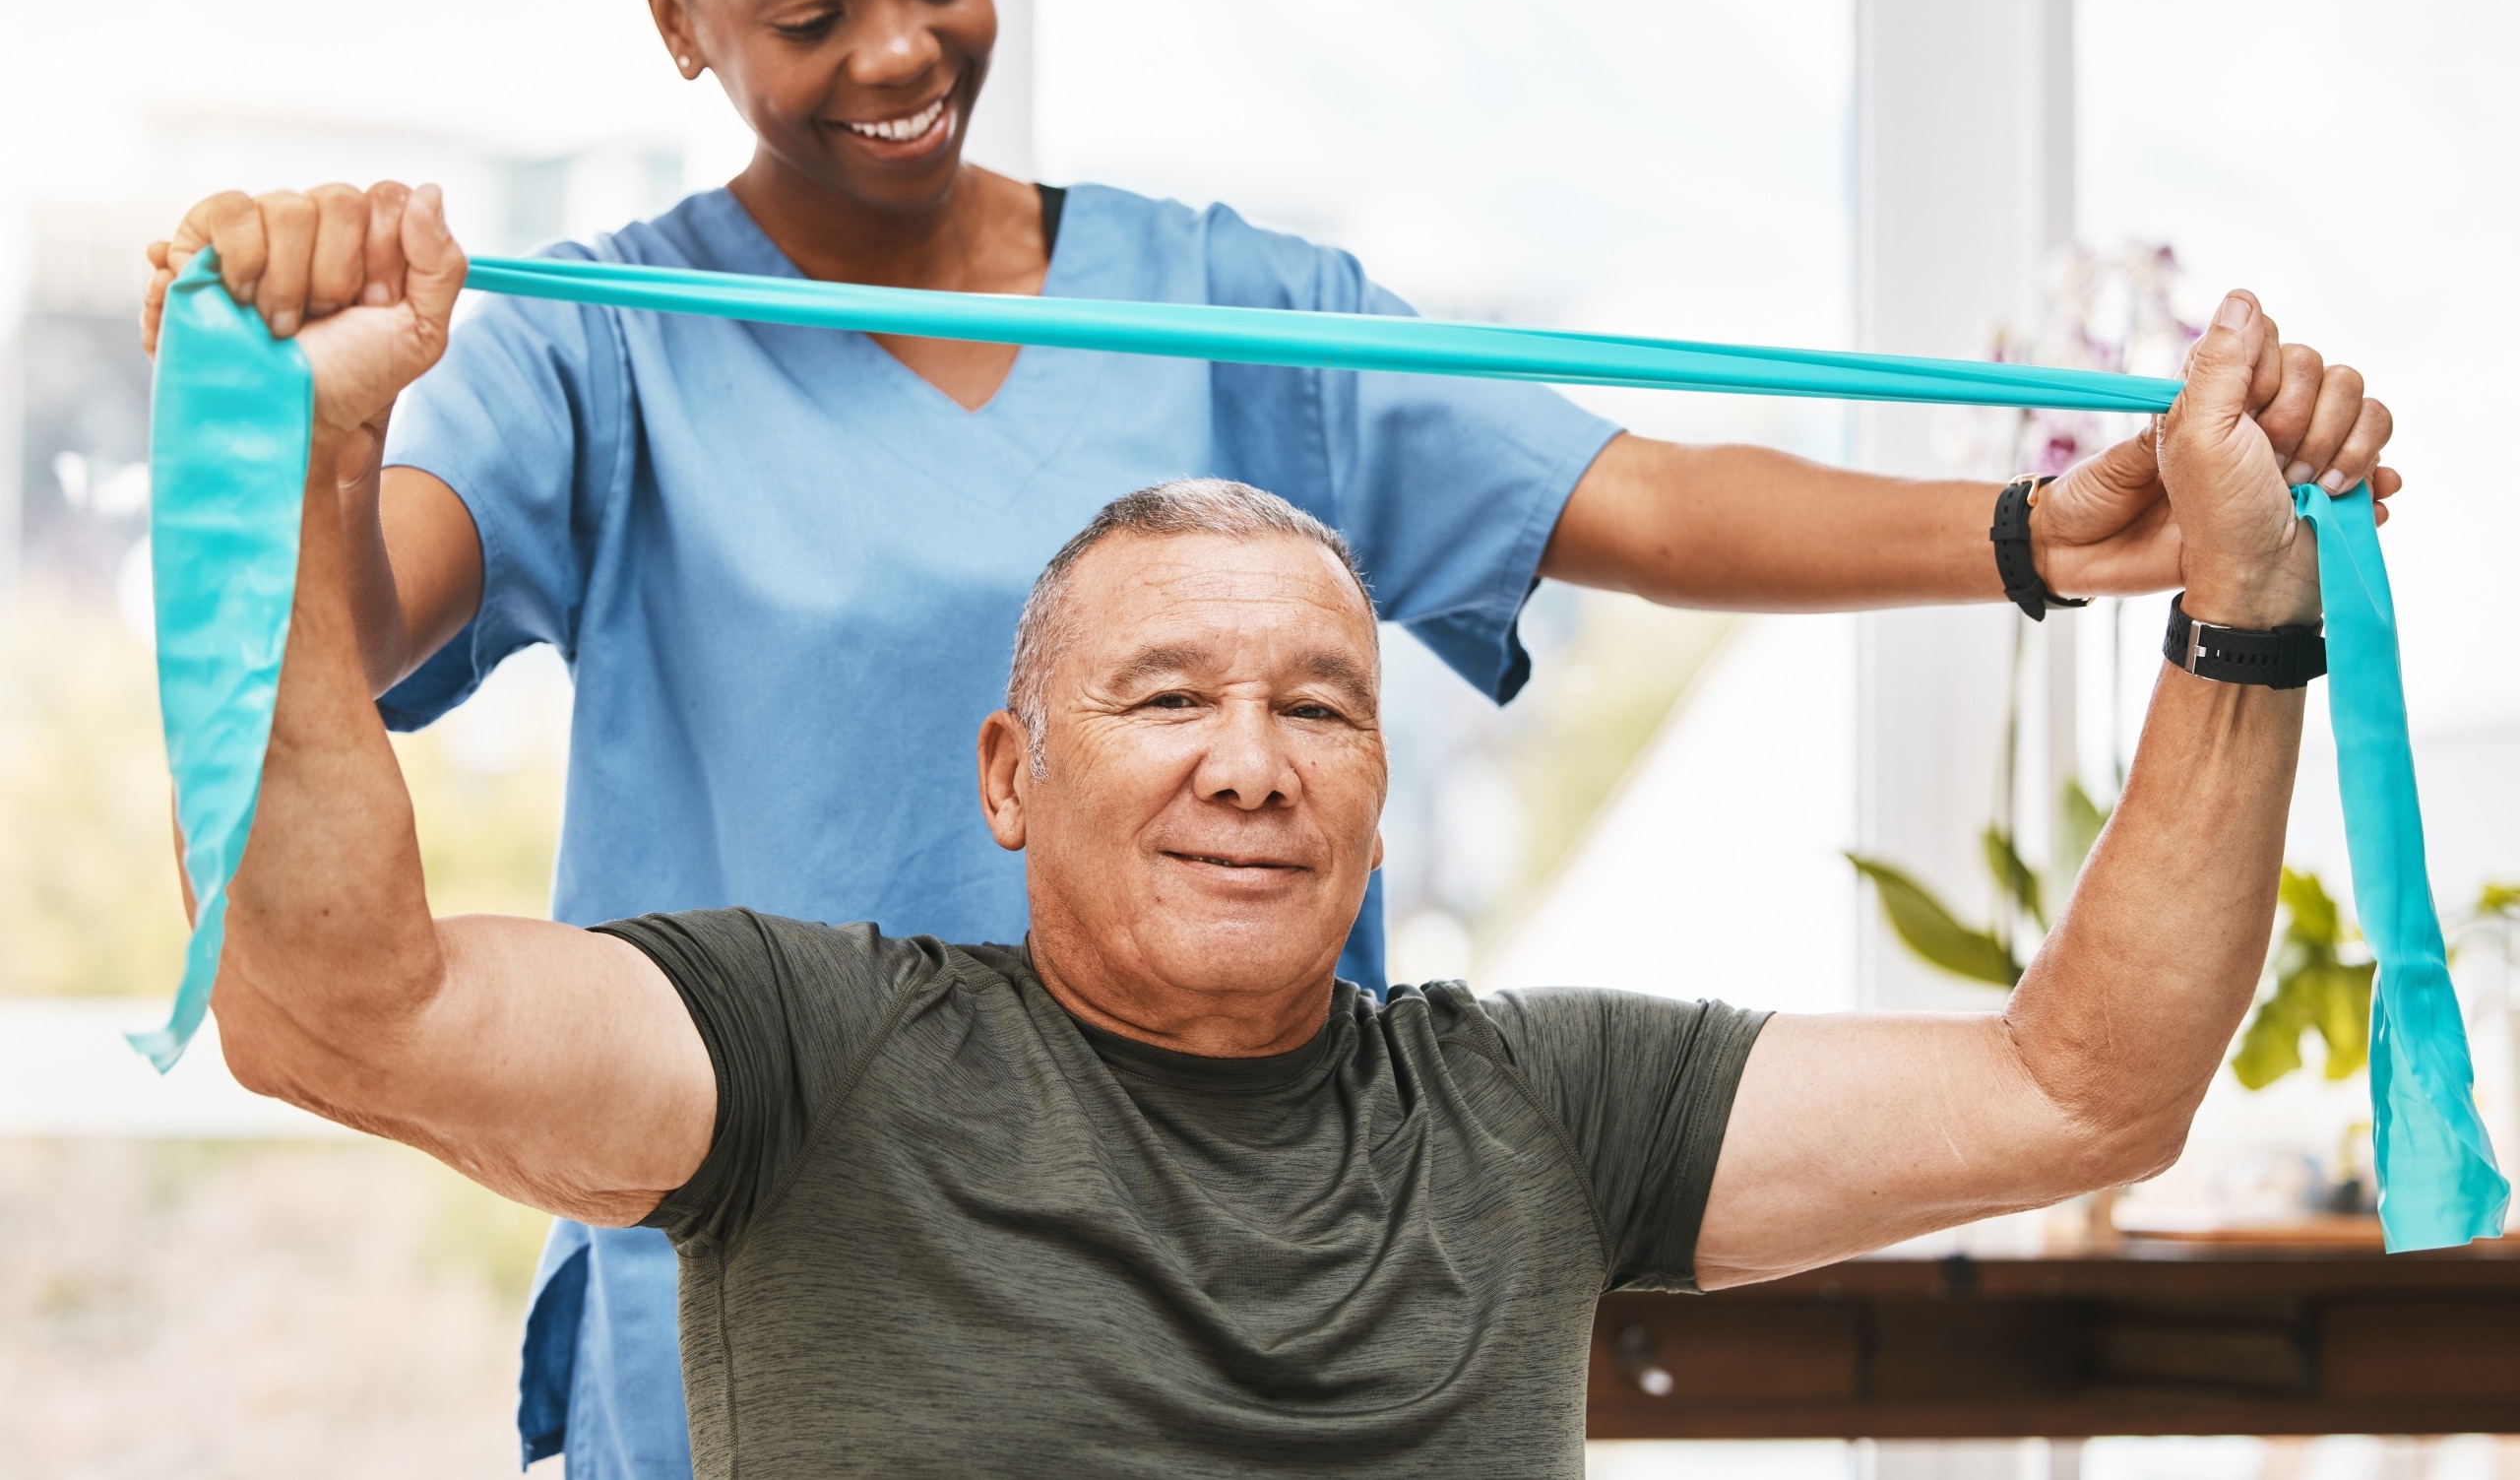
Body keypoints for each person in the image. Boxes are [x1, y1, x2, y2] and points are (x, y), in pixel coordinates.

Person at [139, 0, 2398, 1469]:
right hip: (794, 1213)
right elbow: (336, 683)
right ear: (674, 20)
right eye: (810, 9)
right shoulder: (595, 347)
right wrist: (302, 433)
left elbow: (1645, 496)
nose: (902, 50)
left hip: (1288, 1228)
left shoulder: (1236, 315)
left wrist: (2038, 539)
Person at [202, 272, 2336, 1477]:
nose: (1249, 763)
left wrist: (2238, 601)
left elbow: (2085, 1090)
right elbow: (334, 1007)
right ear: (1008, 775)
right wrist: (307, 469)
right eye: (1163, 701)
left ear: (1382, 795)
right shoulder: (810, 1056)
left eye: (1317, 707)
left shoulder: (1532, 1107)